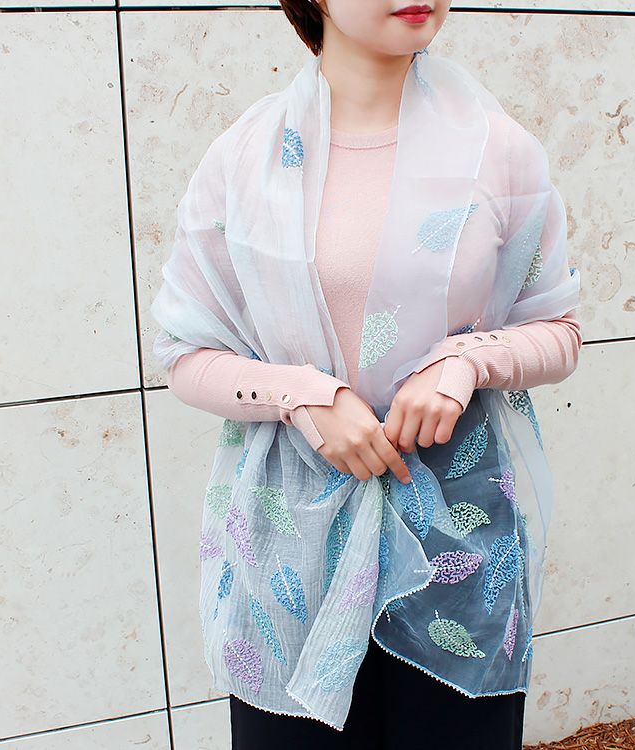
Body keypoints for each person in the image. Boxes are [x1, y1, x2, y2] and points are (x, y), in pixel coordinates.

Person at [157, 1, 583, 747]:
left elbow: (558, 329)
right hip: (293, 554)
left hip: (458, 546)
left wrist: (464, 361)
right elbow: (184, 352)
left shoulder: (498, 151)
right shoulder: (246, 158)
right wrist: (302, 396)